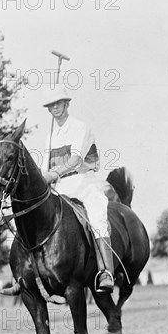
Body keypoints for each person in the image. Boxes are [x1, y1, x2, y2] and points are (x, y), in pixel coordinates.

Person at [41, 85, 114, 293]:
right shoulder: (50, 136)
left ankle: (105, 271)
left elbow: (75, 160)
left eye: (58, 103)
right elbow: (44, 168)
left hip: (83, 182)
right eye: (51, 105)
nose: (55, 108)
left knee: (98, 217)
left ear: (67, 103)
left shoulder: (81, 127)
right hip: (59, 187)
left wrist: (53, 174)